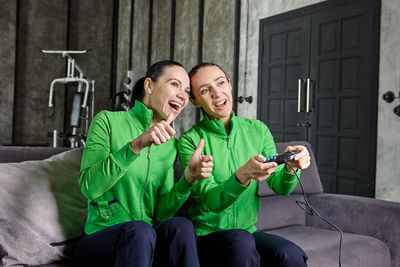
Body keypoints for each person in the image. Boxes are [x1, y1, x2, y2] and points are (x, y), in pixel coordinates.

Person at [73, 60, 212, 267]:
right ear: (149, 86)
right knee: (139, 230)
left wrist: (187, 180)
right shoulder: (107, 122)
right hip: (99, 239)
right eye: (174, 84)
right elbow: (89, 187)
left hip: (145, 240)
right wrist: (136, 145)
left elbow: (161, 213)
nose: (183, 96)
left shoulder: (170, 144)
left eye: (186, 90)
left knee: (181, 226)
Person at [178, 62, 311, 267]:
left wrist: (291, 167)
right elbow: (211, 200)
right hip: (207, 238)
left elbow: (280, 186)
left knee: (289, 254)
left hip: (248, 233)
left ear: (229, 85)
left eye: (221, 83)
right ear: (195, 101)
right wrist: (242, 176)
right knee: (241, 242)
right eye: (205, 90)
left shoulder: (257, 129)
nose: (216, 93)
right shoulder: (190, 141)